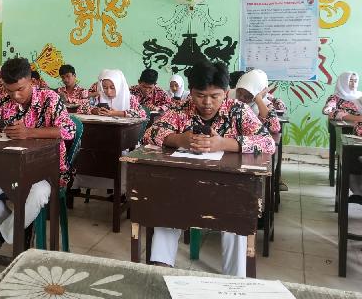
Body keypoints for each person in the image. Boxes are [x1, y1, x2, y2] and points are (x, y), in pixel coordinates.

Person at [143, 60, 275, 277]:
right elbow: (150, 133)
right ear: (191, 91)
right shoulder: (180, 108)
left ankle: (234, 280)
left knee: (236, 218)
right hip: (183, 186)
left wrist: (224, 143)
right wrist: (179, 139)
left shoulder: (238, 110)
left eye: (215, 96)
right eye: (199, 95)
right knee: (165, 207)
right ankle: (161, 271)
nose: (206, 103)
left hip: (227, 189)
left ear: (226, 92)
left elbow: (267, 142)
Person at [0, 58, 75, 252]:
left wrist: (29, 132)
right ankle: (20, 230)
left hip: (46, 171)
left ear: (32, 81)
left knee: (38, 192)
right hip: (9, 168)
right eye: (9, 90)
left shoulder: (50, 98)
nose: (15, 95)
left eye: (20, 89)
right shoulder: (2, 98)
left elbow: (69, 129)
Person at [78, 69, 146, 118]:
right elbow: (81, 108)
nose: (108, 92)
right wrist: (95, 111)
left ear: (119, 87)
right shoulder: (99, 97)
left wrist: (115, 113)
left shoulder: (130, 99)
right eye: (104, 87)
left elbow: (142, 114)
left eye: (112, 88)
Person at [231, 69, 280, 134]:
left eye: (248, 96)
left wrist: (259, 100)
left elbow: (275, 128)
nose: (241, 97)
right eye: (239, 93)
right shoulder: (229, 95)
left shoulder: (266, 104)